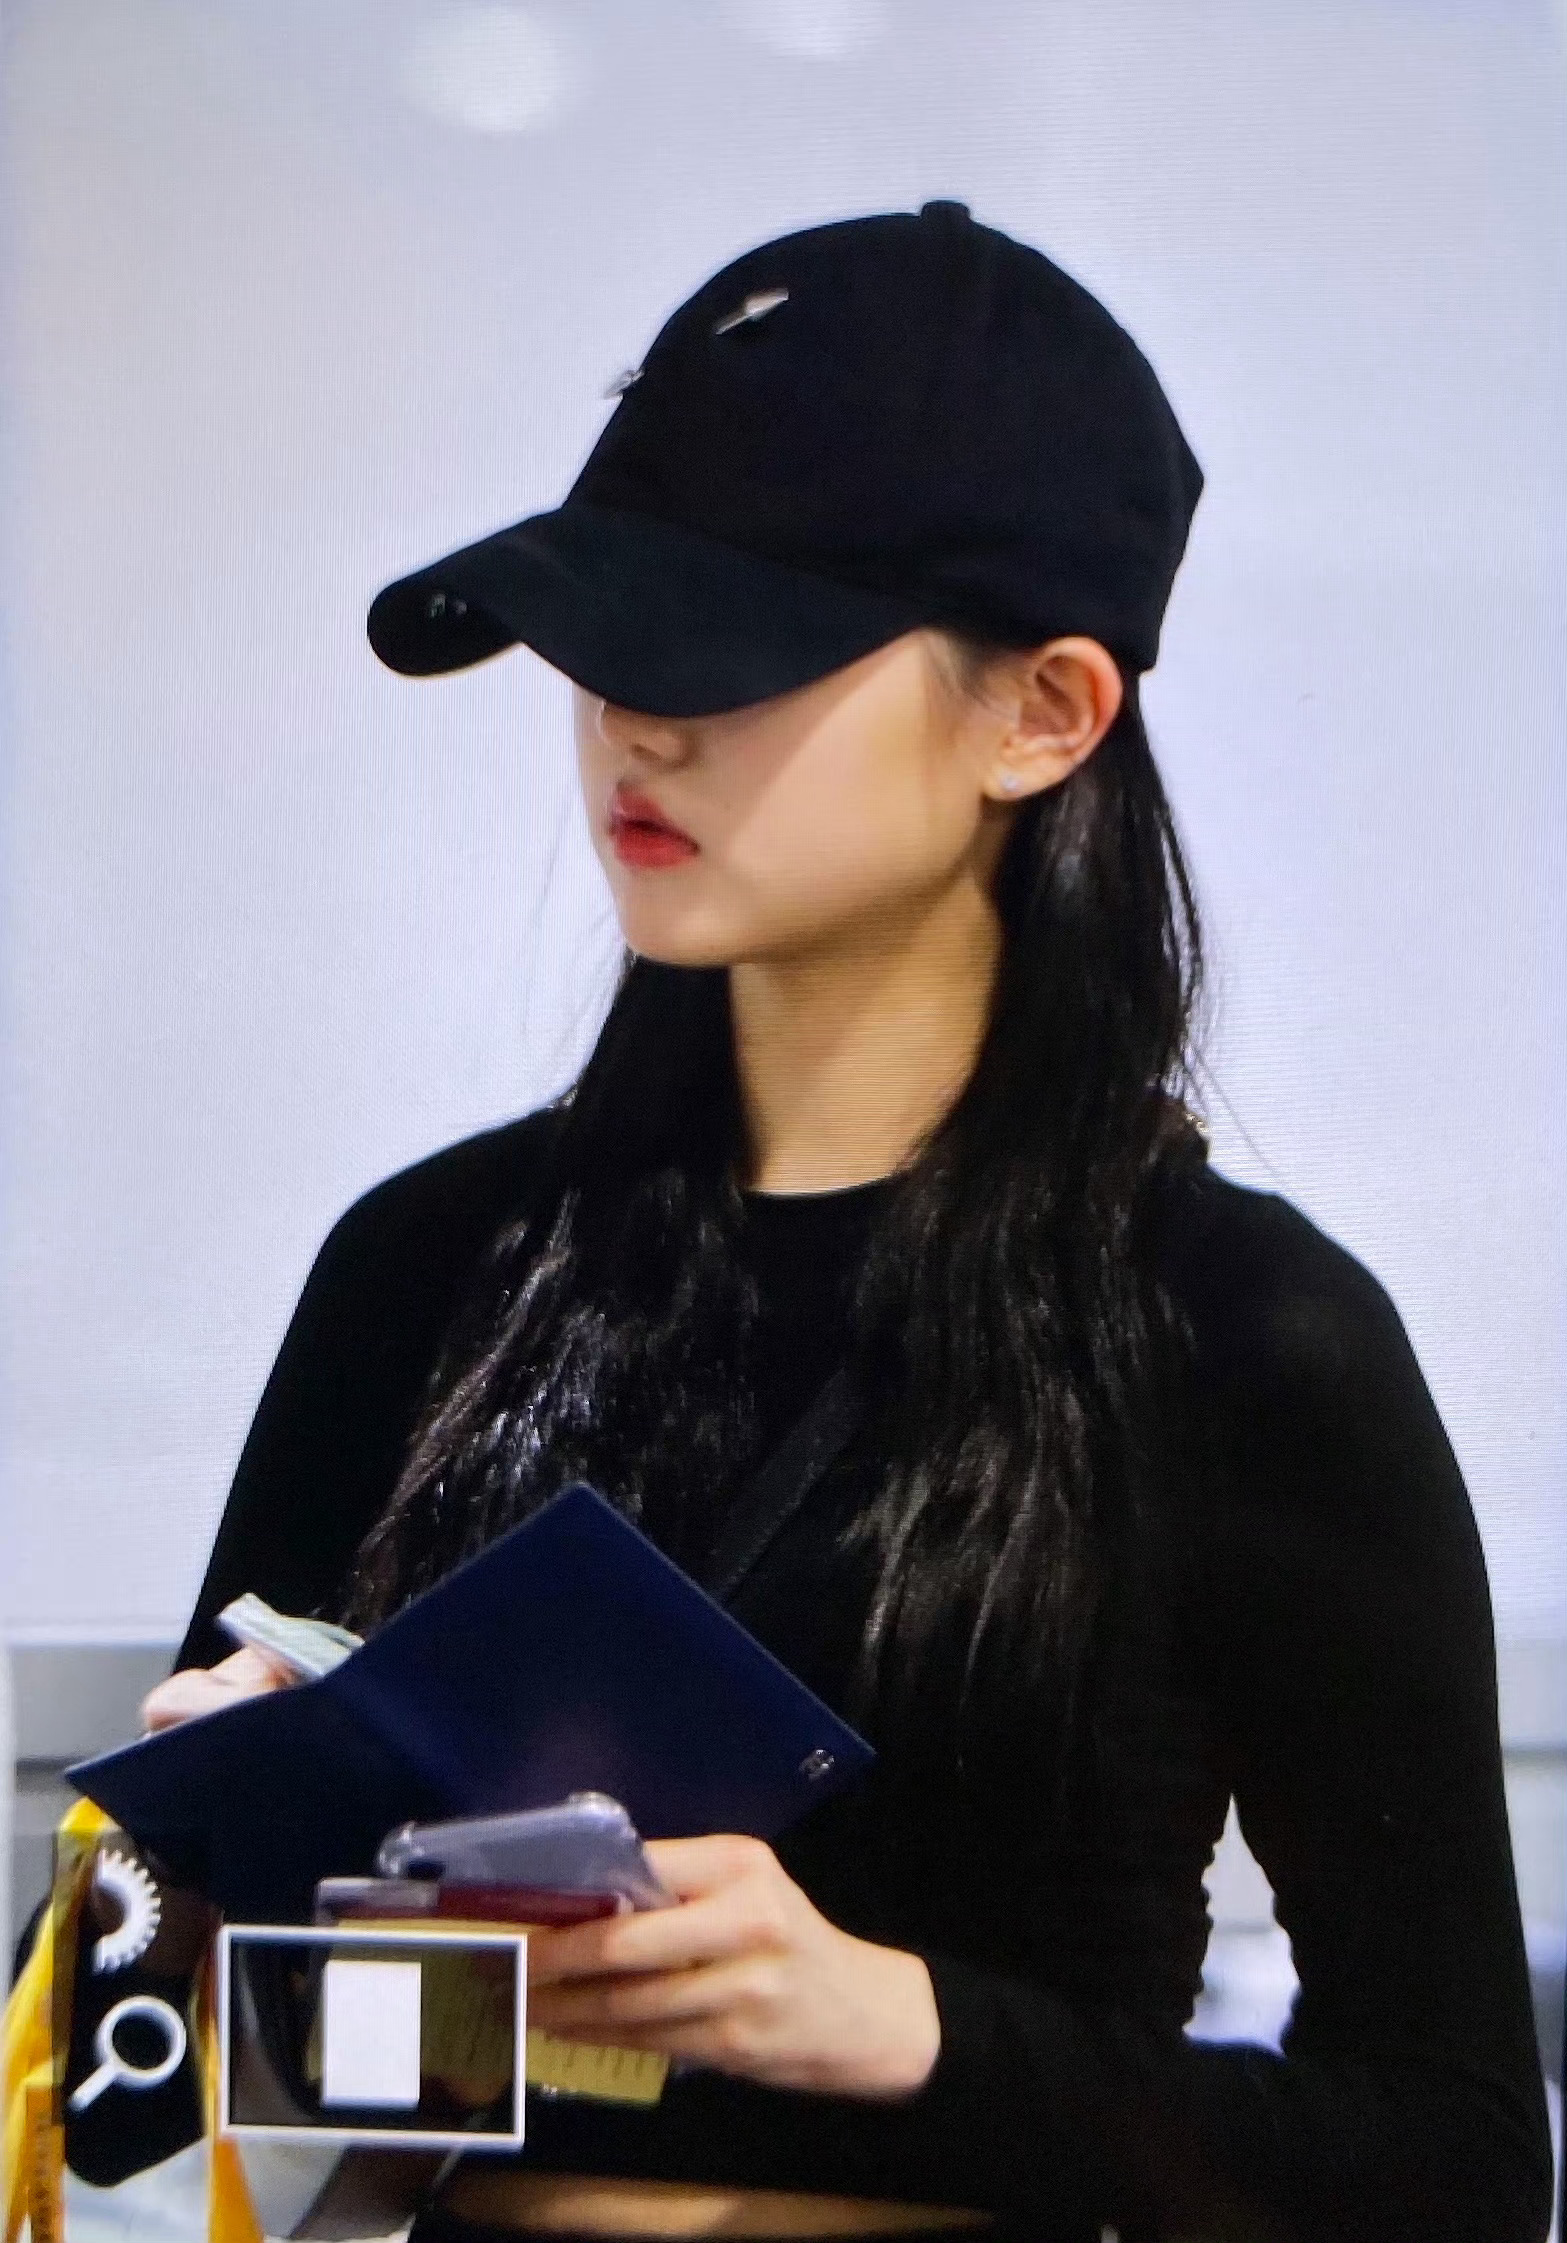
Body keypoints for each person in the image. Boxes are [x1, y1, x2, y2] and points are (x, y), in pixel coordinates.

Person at [141, 205, 1552, 2243]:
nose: (637, 722)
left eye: (735, 646)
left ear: (1043, 713)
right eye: (606, 638)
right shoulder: (435, 1268)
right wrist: (234, 1878)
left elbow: (1451, 2161)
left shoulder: (1235, 1334)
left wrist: (900, 2029)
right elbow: (138, 2076)